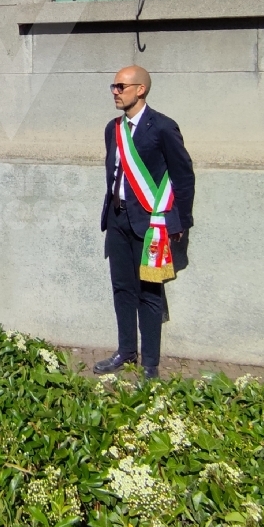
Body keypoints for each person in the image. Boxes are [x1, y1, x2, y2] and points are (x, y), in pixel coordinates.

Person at [94, 66, 195, 377]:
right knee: (122, 288)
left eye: (121, 86)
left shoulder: (163, 127)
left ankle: (150, 363)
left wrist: (179, 223)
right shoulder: (114, 128)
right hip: (117, 219)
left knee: (149, 292)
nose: (115, 91)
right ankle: (126, 351)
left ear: (140, 89)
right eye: (113, 86)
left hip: (151, 222)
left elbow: (183, 176)